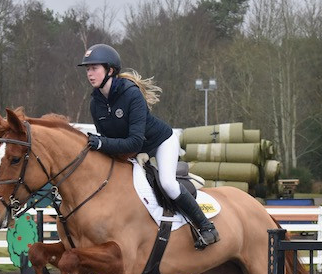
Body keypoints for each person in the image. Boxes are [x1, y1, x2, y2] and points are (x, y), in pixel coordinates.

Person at [78, 43, 219, 250]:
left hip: (160, 143)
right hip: (133, 151)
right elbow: (109, 141)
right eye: (88, 69)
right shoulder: (95, 103)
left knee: (168, 183)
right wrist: (102, 145)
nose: (90, 74)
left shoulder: (131, 95)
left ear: (110, 70)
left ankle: (207, 227)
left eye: (94, 68)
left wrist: (101, 143)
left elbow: (134, 141)